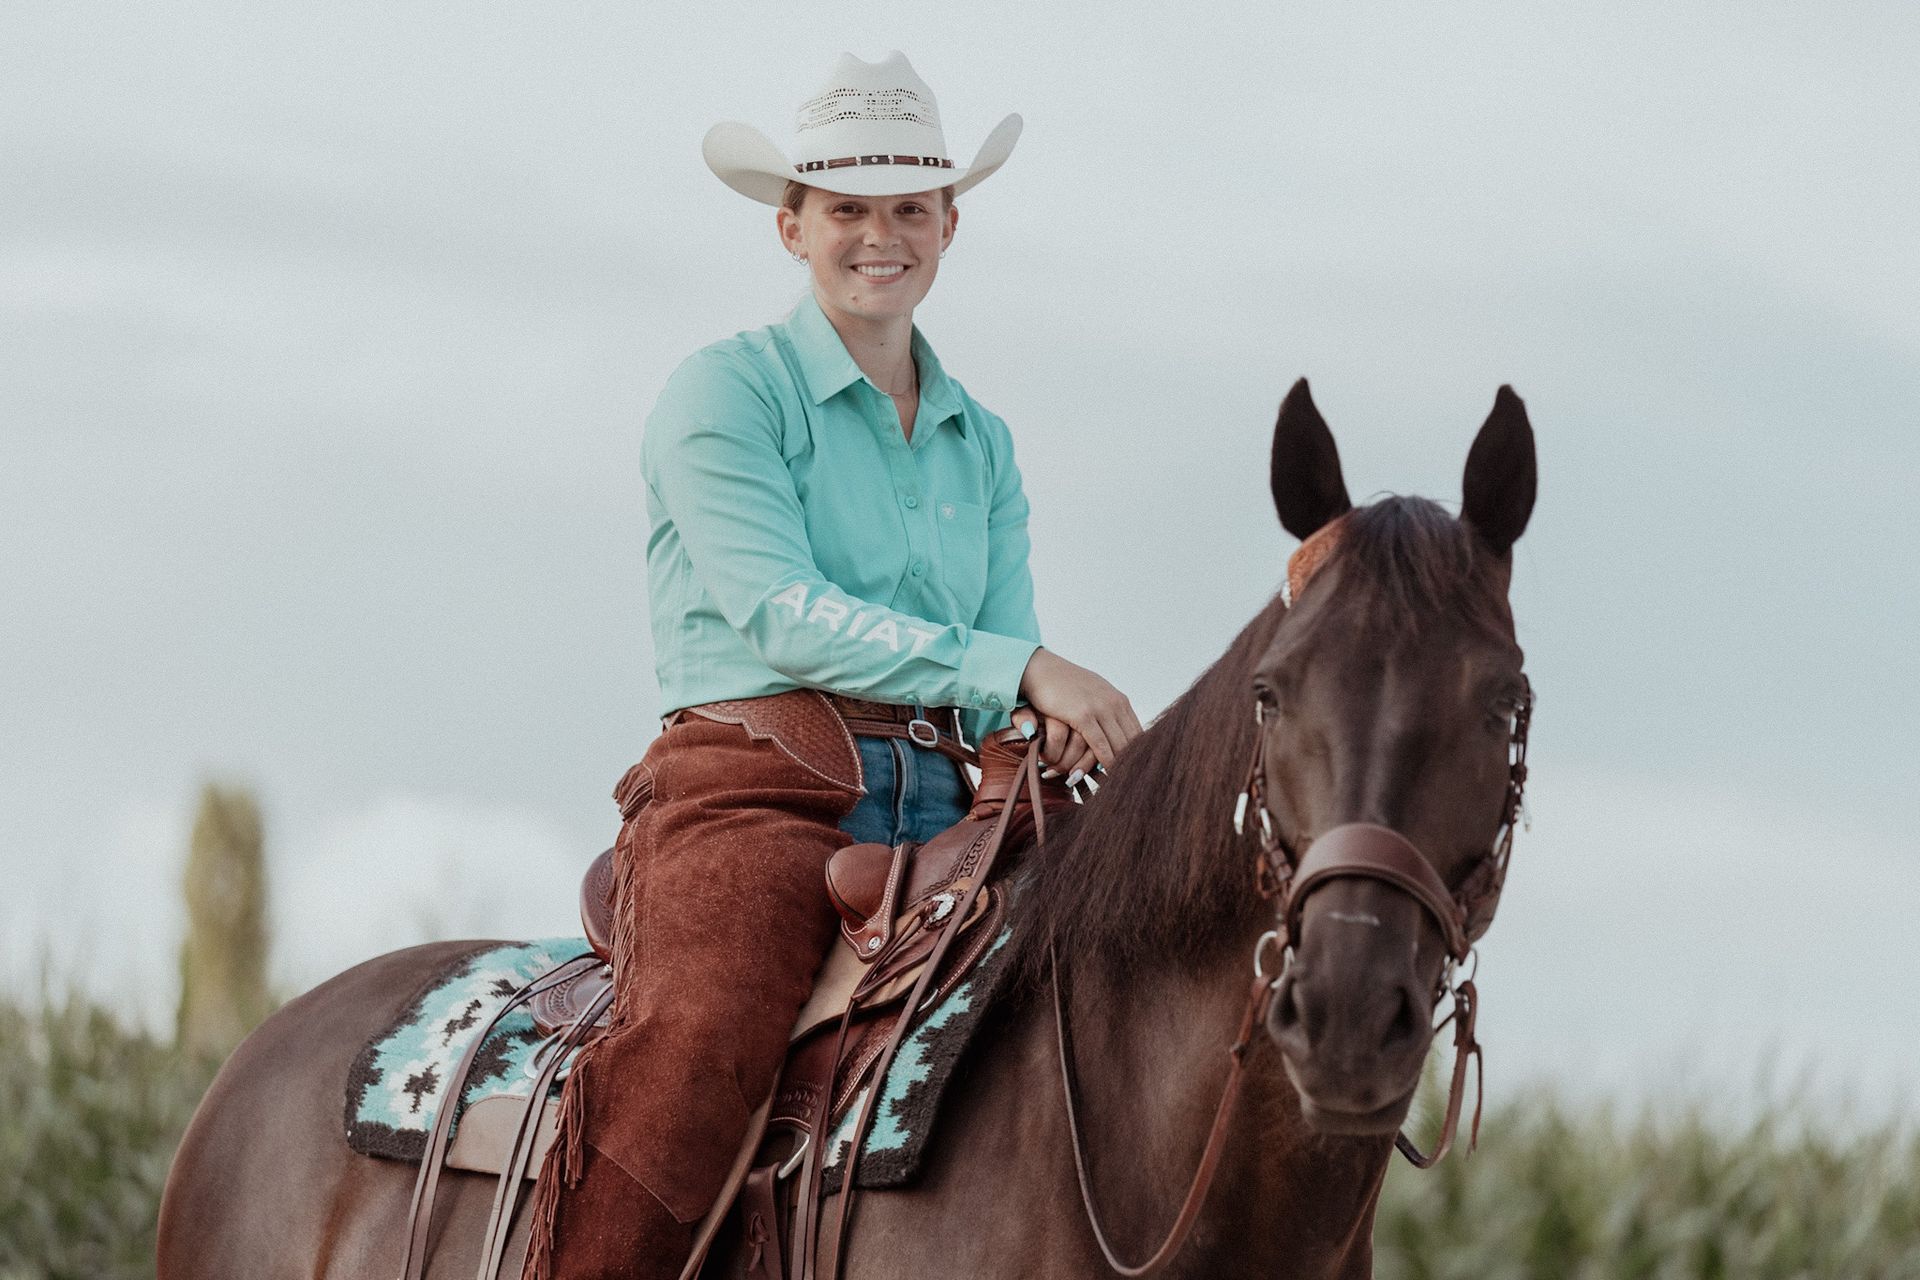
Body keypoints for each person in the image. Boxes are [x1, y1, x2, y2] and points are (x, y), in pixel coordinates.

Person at [524, 52, 1140, 1280]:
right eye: (848, 209)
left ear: (950, 225)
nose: (880, 236)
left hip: (954, 801)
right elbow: (782, 615)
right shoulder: (725, 395)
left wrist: (1041, 717)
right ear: (790, 225)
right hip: (756, 778)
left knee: (1135, 992)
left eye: (910, 207)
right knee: (696, 1053)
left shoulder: (983, 437)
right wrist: (1022, 665)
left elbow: (1001, 664)